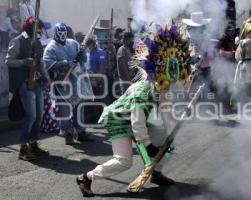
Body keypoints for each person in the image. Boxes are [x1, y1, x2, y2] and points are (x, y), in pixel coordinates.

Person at [76, 22, 193, 197]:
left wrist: (182, 114)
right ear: (159, 74)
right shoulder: (143, 90)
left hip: (137, 119)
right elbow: (137, 124)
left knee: (165, 139)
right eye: (168, 80)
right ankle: (86, 178)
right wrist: (148, 146)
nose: (170, 85)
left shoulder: (162, 87)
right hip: (119, 119)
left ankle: (156, 173)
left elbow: (164, 112)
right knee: (124, 161)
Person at [6, 16, 49, 161]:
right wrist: (24, 61)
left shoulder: (37, 42)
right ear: (31, 28)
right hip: (24, 83)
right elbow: (9, 61)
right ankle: (23, 149)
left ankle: (33, 145)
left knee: (38, 116)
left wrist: (47, 78)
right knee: (30, 116)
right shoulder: (17, 41)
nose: (40, 32)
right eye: (38, 29)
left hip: (36, 82)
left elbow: (41, 63)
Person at [43, 23, 93, 145]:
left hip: (76, 82)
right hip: (61, 83)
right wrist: (64, 63)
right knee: (64, 111)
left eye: (64, 33)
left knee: (79, 108)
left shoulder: (73, 43)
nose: (62, 36)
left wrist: (82, 53)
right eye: (60, 34)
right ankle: (68, 134)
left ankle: (80, 132)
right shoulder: (51, 47)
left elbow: (83, 60)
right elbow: (47, 64)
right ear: (55, 33)